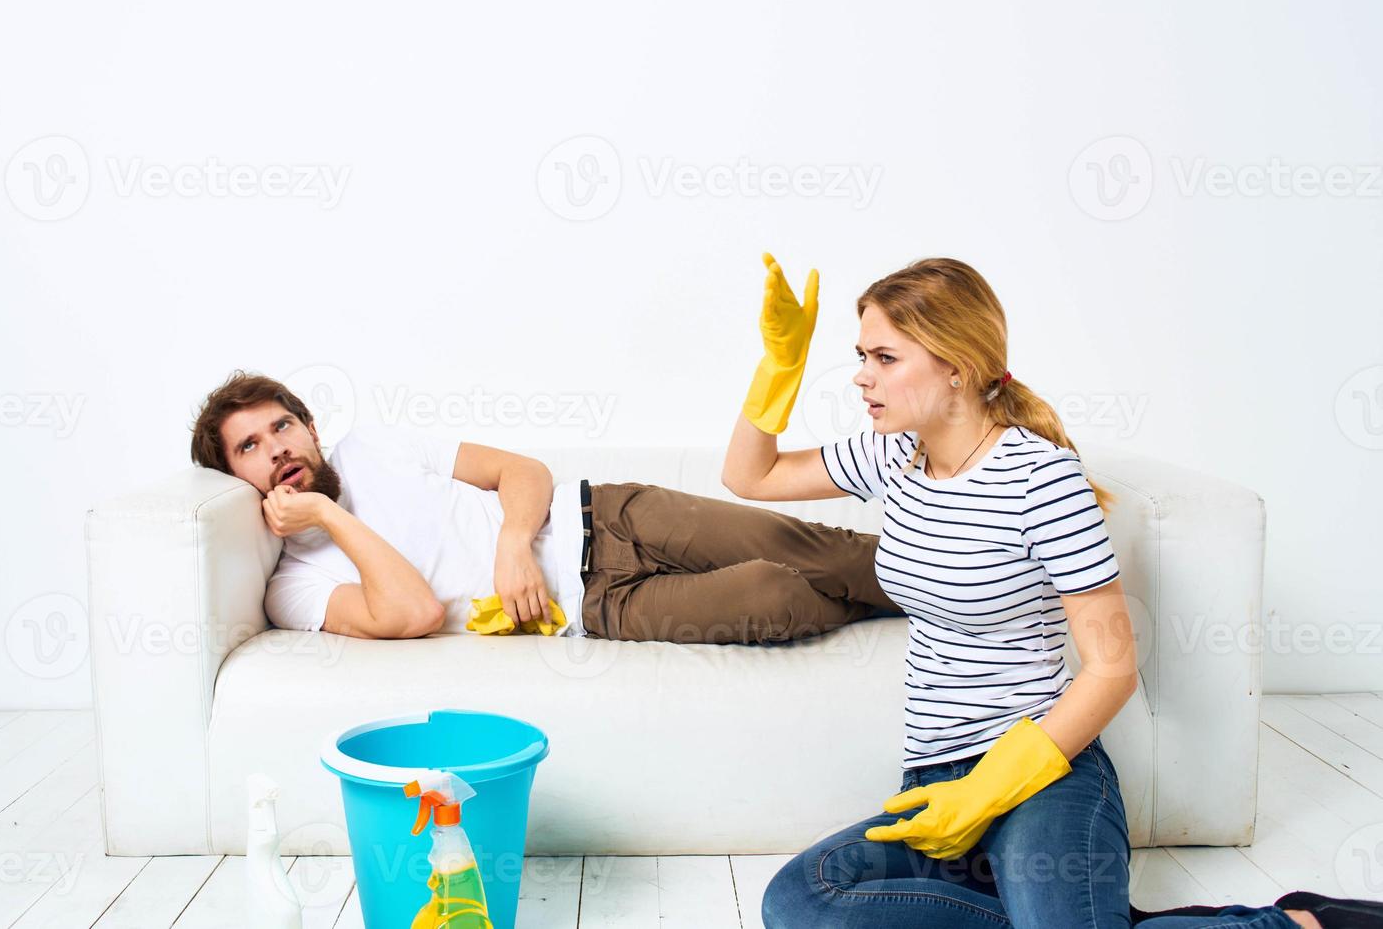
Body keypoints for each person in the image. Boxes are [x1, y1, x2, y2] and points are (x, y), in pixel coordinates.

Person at [725, 255, 1380, 928]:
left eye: (885, 358)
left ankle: (1294, 925)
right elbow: (752, 476)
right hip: (933, 781)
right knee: (799, 902)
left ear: (957, 363)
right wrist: (780, 364)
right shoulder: (895, 455)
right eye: (861, 354)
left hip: (1043, 773)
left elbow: (1112, 669)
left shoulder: (1043, 479)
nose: (861, 376)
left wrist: (994, 786)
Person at [186, 368, 904, 642]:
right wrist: (330, 518)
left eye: (282, 426)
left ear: (310, 428)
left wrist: (512, 543)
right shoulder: (292, 587)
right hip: (596, 610)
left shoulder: (373, 446)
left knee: (817, 552)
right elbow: (413, 613)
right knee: (773, 596)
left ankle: (980, 585)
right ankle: (932, 602)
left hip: (607, 516)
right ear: (236, 477)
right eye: (249, 446)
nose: (275, 447)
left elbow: (520, 471)